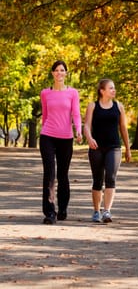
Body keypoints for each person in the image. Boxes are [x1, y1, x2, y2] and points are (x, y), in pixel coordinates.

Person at [40, 60, 82, 224]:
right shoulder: (45, 93)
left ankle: (63, 208)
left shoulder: (73, 93)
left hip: (66, 137)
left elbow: (76, 114)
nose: (59, 73)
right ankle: (50, 212)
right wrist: (44, 130)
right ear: (52, 73)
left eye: (62, 70)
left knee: (63, 174)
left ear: (66, 73)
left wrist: (78, 130)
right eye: (56, 70)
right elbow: (45, 114)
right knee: (49, 174)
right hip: (48, 136)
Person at [84, 79, 131, 223]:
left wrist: (128, 148)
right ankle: (96, 211)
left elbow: (123, 128)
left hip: (114, 147)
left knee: (110, 177)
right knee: (97, 180)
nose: (114, 90)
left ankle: (107, 211)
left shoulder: (119, 106)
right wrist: (89, 138)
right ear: (102, 91)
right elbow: (86, 125)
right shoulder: (93, 106)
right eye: (111, 88)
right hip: (96, 148)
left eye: (114, 88)